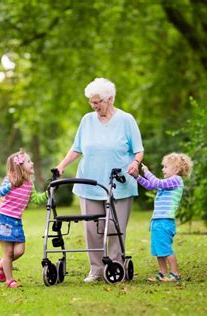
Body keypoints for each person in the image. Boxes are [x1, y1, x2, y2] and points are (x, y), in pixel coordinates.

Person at [56, 77, 144, 282]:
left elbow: (139, 150)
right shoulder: (87, 120)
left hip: (119, 184)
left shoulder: (126, 120)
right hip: (89, 182)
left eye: (98, 102)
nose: (94, 106)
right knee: (92, 228)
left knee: (115, 228)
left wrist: (135, 163)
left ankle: (115, 267)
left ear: (110, 99)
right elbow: (76, 148)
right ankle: (95, 269)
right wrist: (62, 165)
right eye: (91, 102)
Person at [0, 150, 47, 288]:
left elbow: (36, 199)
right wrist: (10, 185)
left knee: (19, 251)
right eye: (28, 161)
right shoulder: (10, 178)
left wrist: (48, 193)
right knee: (8, 252)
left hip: (16, 221)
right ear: (19, 166)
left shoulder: (30, 184)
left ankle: (1, 263)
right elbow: (0, 192)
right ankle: (10, 280)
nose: (32, 163)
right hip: (3, 219)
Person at [129, 152, 193, 282]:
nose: (163, 169)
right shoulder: (167, 182)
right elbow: (150, 185)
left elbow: (156, 182)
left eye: (165, 167)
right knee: (158, 248)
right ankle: (162, 274)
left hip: (165, 221)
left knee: (166, 248)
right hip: (158, 220)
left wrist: (146, 172)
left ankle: (175, 274)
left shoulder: (176, 181)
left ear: (176, 169)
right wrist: (137, 176)